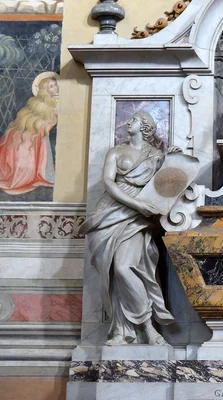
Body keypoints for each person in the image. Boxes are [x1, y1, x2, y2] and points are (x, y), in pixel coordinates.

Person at [80, 112, 176, 346]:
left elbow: (166, 186)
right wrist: (136, 204)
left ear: (144, 127)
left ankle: (147, 327)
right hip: (111, 212)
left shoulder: (156, 156)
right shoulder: (115, 152)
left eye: (132, 120)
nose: (127, 122)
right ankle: (120, 331)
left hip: (137, 219)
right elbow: (109, 183)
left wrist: (172, 162)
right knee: (114, 271)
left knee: (126, 268)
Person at [0, 75, 58, 194]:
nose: (56, 88)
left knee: (31, 137)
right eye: (51, 86)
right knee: (17, 135)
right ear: (44, 90)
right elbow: (32, 117)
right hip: (30, 129)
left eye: (55, 85)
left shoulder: (58, 102)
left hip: (38, 130)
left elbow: (49, 120)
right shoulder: (36, 102)